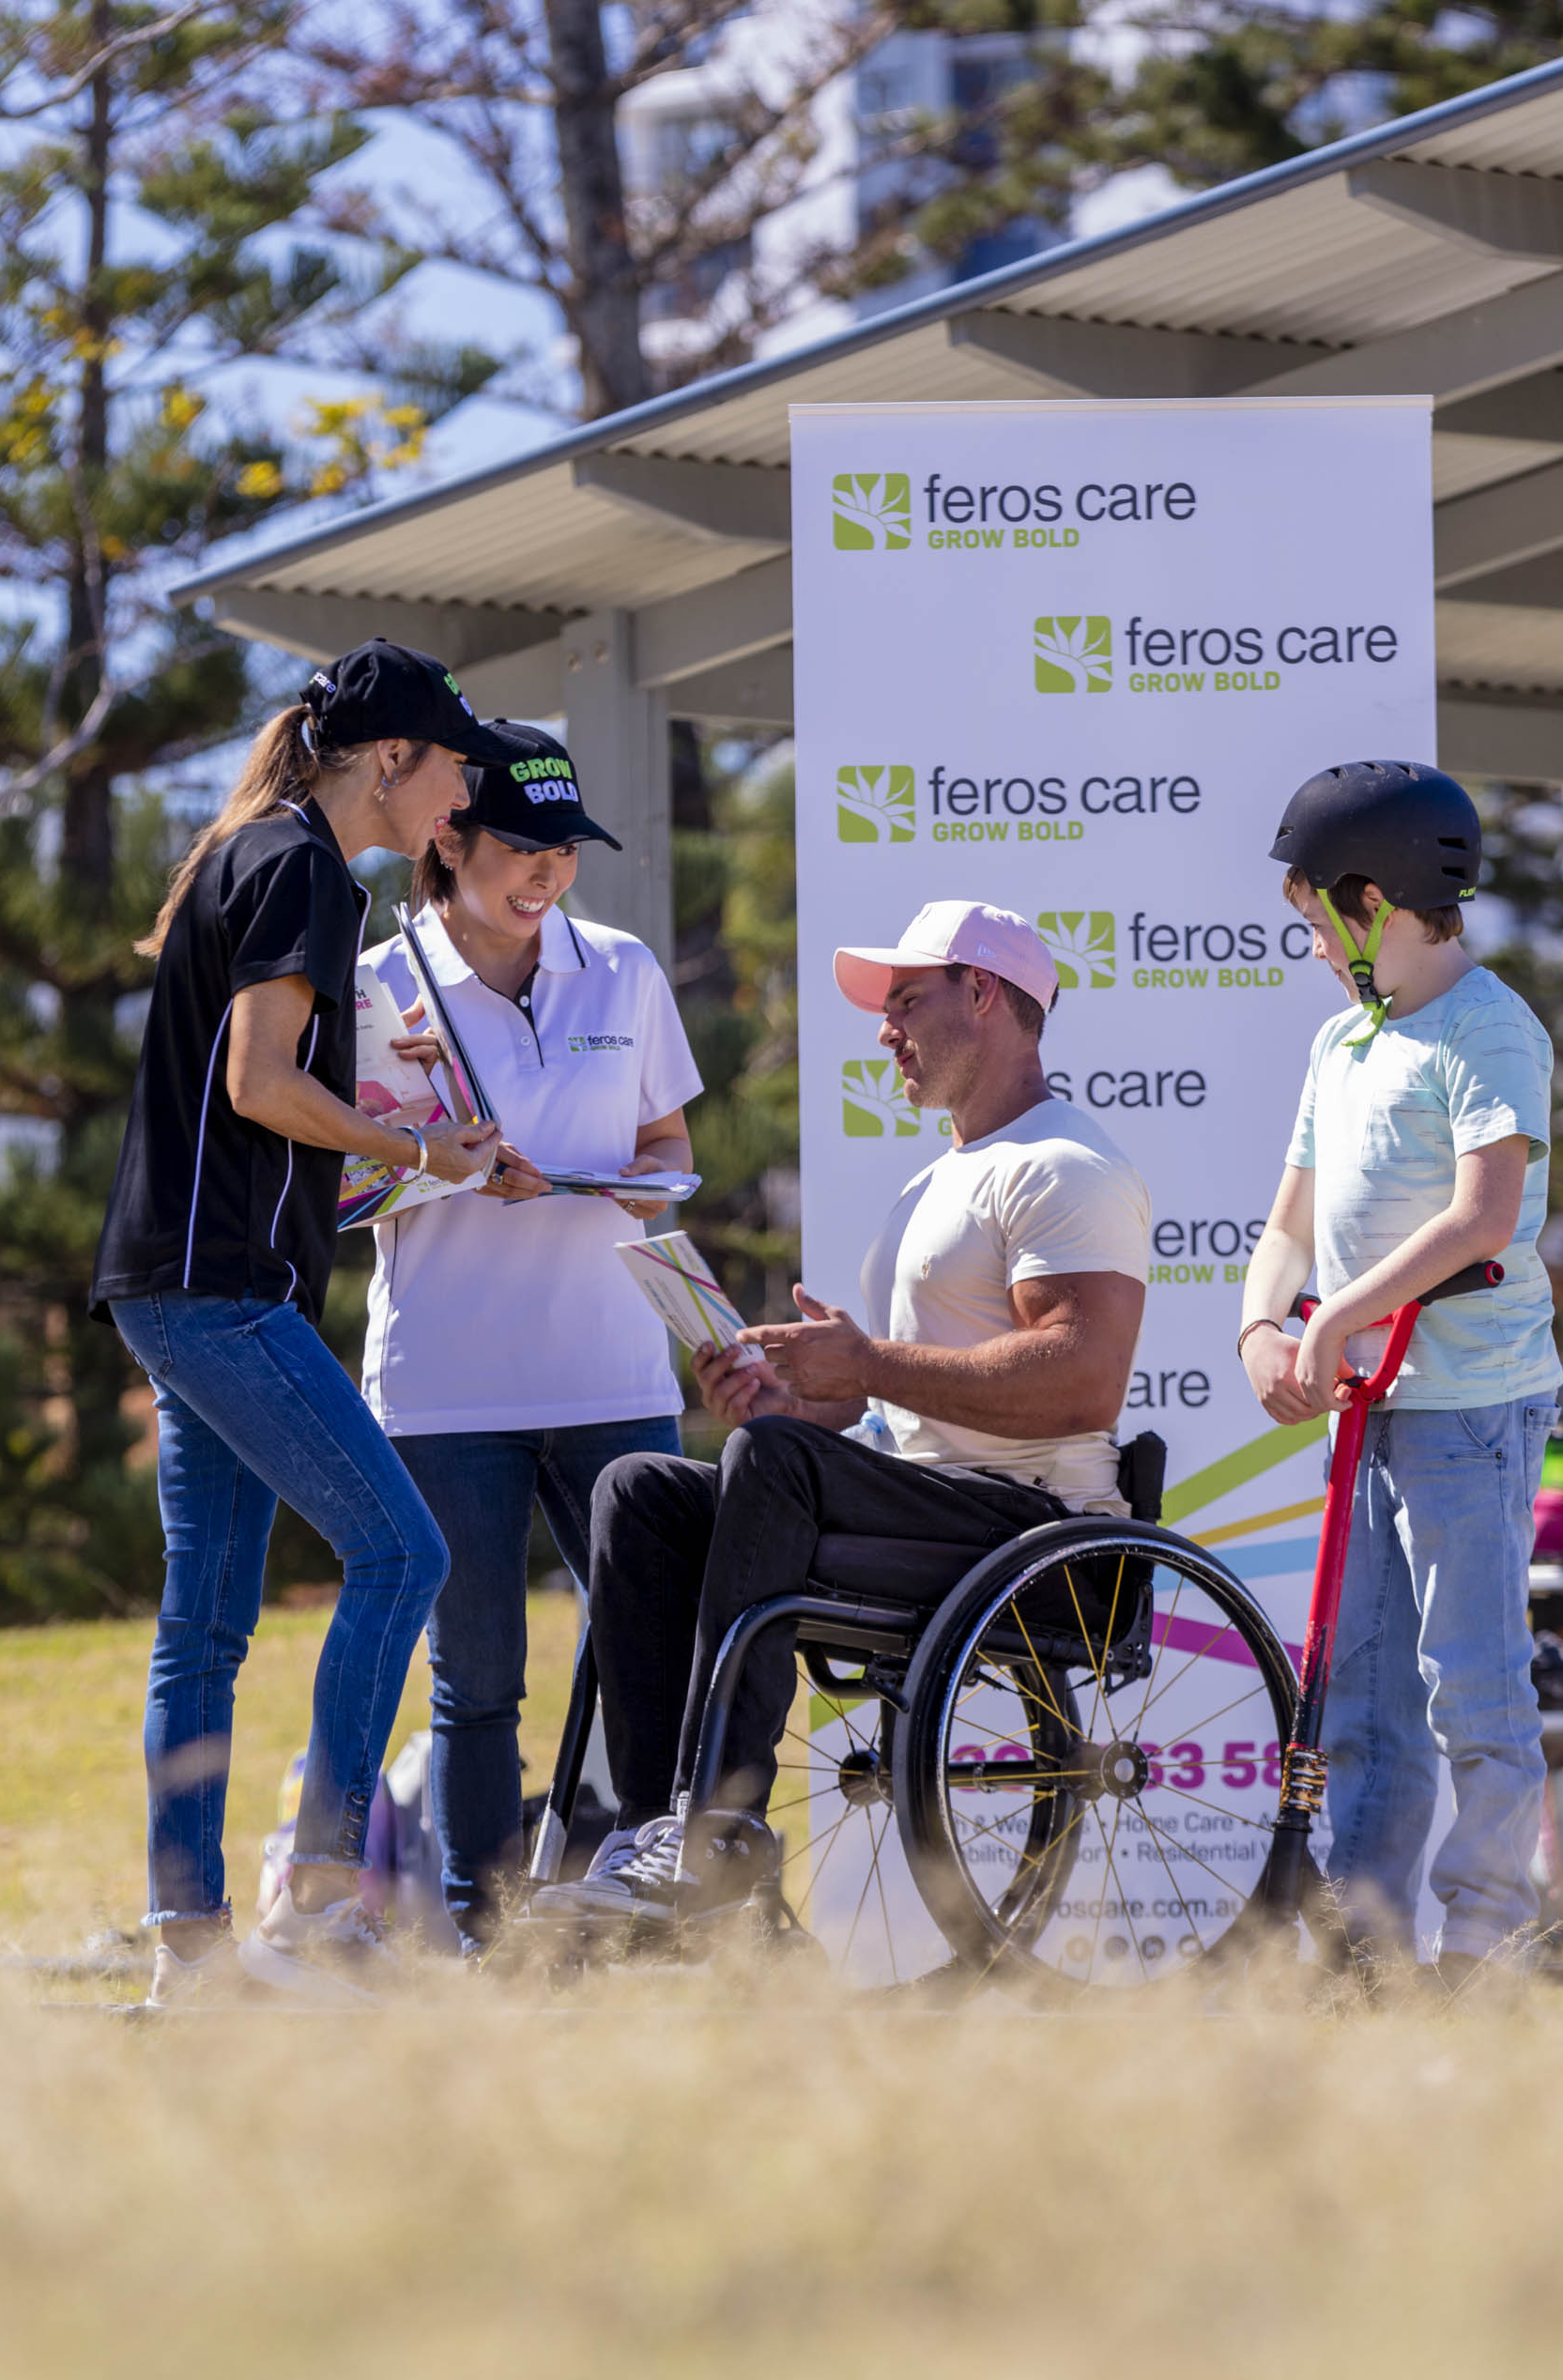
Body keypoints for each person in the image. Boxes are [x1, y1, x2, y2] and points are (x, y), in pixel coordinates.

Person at [541, 901, 1147, 1929]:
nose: (884, 1030)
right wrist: (798, 1406)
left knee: (769, 1458)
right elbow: (916, 1415)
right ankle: (654, 1838)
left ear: (986, 996)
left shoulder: (1064, 1166)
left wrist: (861, 1364)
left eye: (907, 1000)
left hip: (1032, 1533)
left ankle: (718, 1827)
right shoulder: (936, 1180)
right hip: (937, 1505)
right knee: (638, 1488)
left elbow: (1080, 1380)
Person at [89, 641, 515, 2007]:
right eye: (453, 767)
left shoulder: (253, 852)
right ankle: (324, 1896)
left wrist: (380, 1152)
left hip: (171, 1281)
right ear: (390, 758)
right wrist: (426, 1145)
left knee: (203, 1623)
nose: (461, 800)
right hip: (216, 1290)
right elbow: (262, 1081)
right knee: (404, 1548)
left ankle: (193, 1956)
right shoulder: (309, 871)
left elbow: (249, 1115)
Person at [355, 723, 700, 1945]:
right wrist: (443, 1169)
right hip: (445, 1391)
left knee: (658, 1659)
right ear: (447, 839)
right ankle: (486, 1940)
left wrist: (604, 1178)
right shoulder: (380, 984)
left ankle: (662, 1912)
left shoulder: (625, 970)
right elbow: (345, 1187)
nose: (546, 871)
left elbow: (670, 1157)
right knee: (477, 1682)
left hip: (613, 1371)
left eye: (565, 847)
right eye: (520, 845)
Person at [1231, 760, 1558, 1983]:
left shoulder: (1486, 1027)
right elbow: (1288, 1225)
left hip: (1466, 1409)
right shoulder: (1343, 1040)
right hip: (1366, 1408)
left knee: (1471, 1685)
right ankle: (1366, 1950)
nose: (1310, 942)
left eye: (1315, 915)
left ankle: (1484, 1940)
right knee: (1363, 1696)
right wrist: (1266, 1325)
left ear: (1369, 902)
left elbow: (1485, 1216)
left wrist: (1343, 1316)